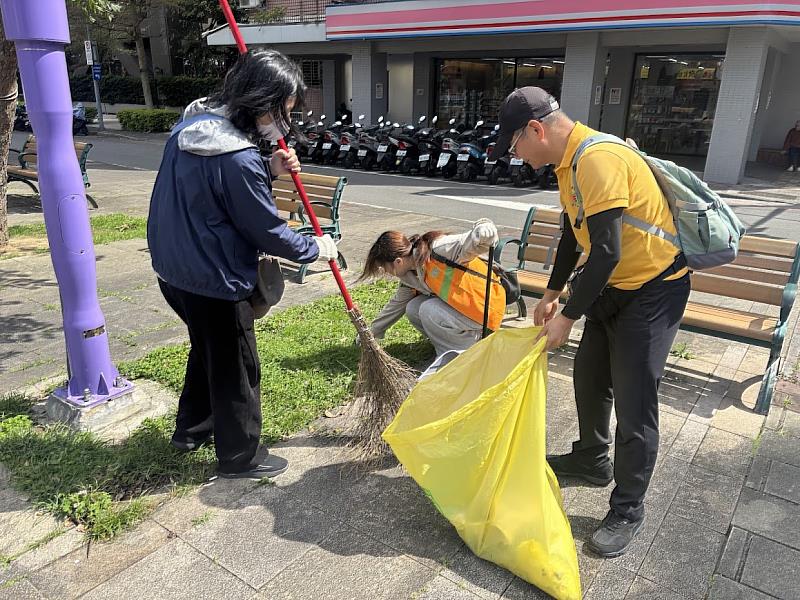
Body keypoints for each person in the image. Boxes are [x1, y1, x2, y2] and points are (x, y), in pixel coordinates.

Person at [490, 87, 690, 557]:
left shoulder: (597, 158)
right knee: (590, 376)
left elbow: (607, 250)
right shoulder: (569, 163)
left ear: (536, 129)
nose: (518, 157)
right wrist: (552, 293)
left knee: (634, 397)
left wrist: (568, 317)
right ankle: (591, 459)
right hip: (613, 287)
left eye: (516, 146)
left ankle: (628, 508)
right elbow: (570, 232)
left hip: (654, 289)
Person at [147, 50, 339, 480]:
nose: (283, 122)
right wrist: (316, 249)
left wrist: (268, 169)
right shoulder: (238, 157)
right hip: (214, 279)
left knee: (207, 349)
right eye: (282, 110)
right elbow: (266, 230)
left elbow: (215, 196)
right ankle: (240, 456)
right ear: (260, 101)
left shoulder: (189, 128)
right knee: (237, 366)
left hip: (173, 270)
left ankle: (191, 431)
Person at [359, 220, 505, 358]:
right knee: (412, 308)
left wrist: (484, 228)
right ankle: (452, 347)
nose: (385, 273)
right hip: (465, 309)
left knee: (428, 309)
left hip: (485, 308)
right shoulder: (409, 276)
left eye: (384, 268)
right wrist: (371, 333)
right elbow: (396, 305)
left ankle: (461, 357)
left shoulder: (438, 249)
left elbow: (468, 242)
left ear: (398, 262)